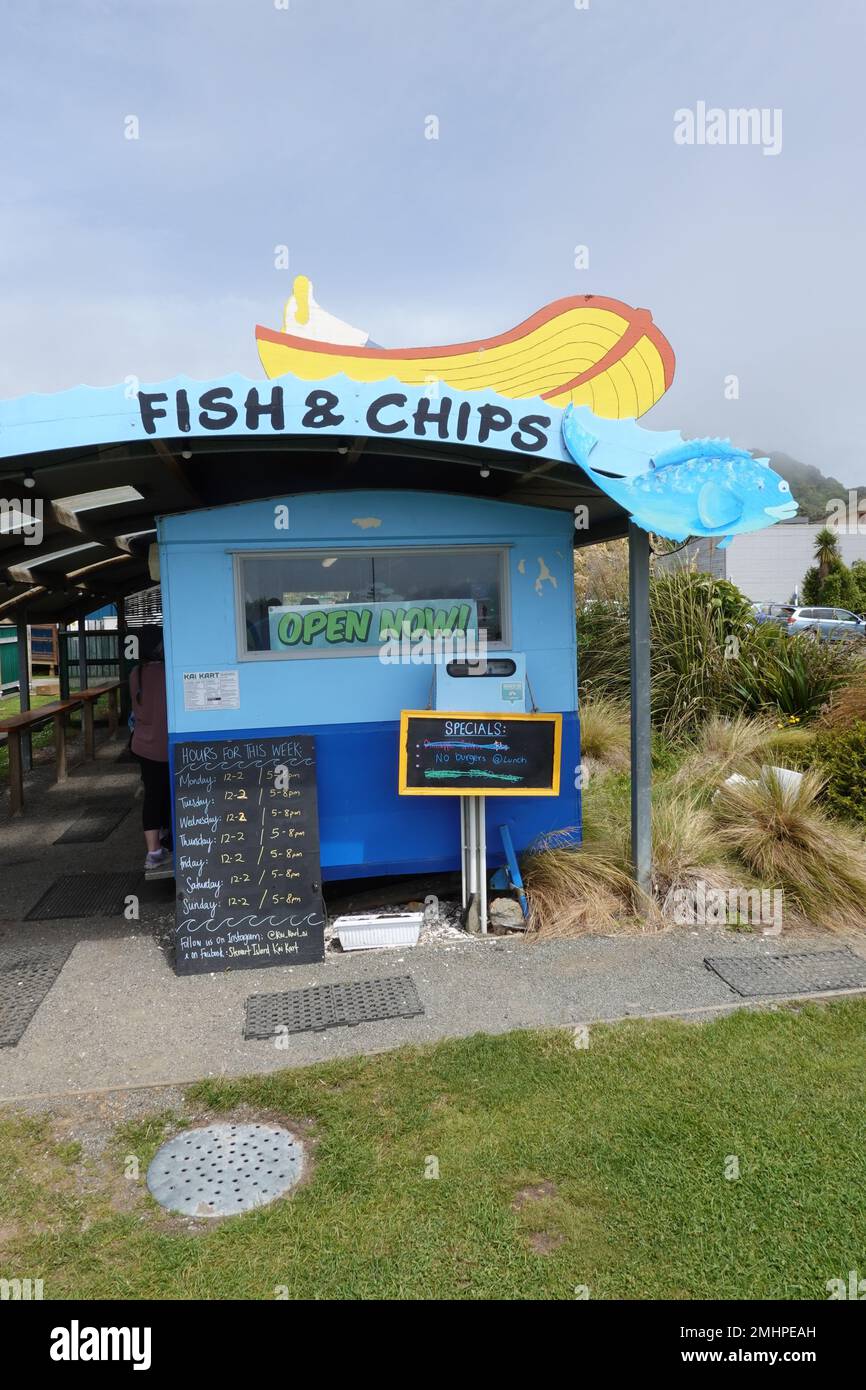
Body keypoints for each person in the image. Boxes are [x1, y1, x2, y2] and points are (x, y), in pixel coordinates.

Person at [129, 626, 172, 876]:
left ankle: (153, 852)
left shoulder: (137, 673)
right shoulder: (167, 673)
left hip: (142, 745)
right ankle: (165, 842)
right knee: (165, 794)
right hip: (162, 745)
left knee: (152, 796)